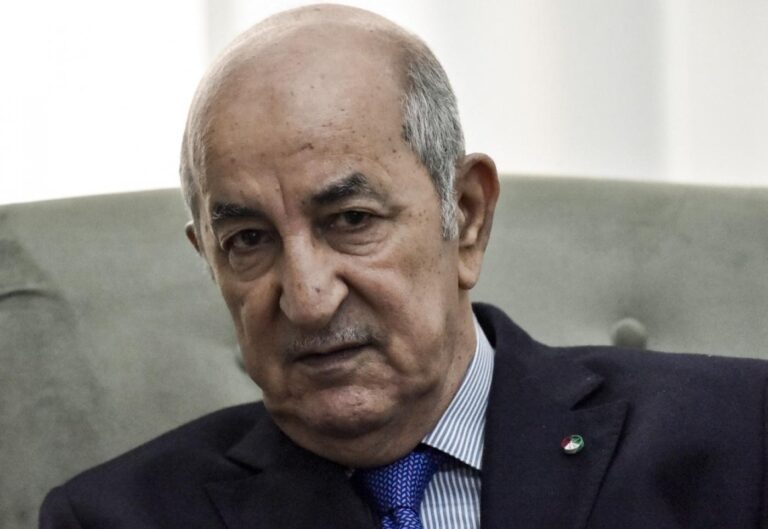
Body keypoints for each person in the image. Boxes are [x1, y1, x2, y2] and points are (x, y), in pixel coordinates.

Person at [40, 4, 768, 529]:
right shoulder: (116, 516)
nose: (308, 298)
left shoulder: (741, 435)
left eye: (351, 221)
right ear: (209, 260)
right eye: (249, 240)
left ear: (467, 215)